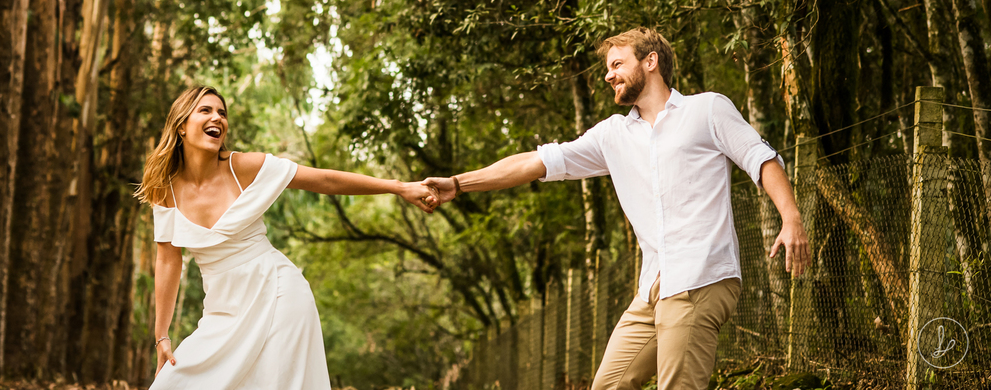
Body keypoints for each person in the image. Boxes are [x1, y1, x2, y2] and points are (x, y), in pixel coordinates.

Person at [423, 28, 810, 390]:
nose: (608, 76)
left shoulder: (706, 110)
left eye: (617, 64)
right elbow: (533, 163)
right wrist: (458, 183)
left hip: (701, 276)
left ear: (650, 62)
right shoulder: (612, 135)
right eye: (608, 69)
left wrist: (790, 218)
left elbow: (761, 159)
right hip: (653, 287)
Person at [137, 84, 439, 390]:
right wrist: (161, 336)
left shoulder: (244, 167)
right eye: (205, 110)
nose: (217, 117)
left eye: (222, 112)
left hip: (279, 293)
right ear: (181, 127)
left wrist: (398, 187)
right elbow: (167, 260)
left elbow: (325, 180)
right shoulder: (165, 189)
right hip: (222, 311)